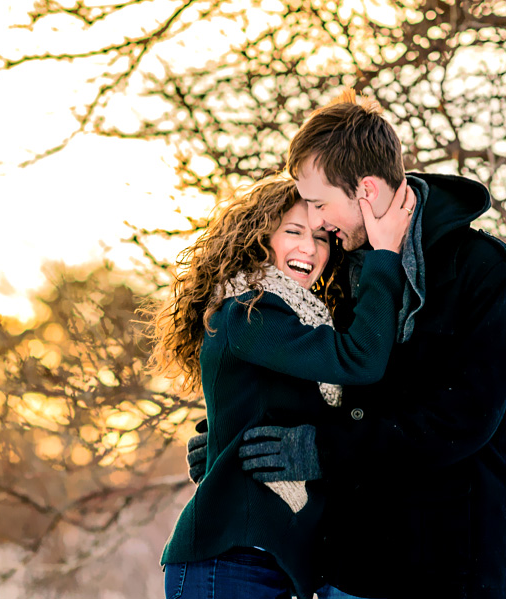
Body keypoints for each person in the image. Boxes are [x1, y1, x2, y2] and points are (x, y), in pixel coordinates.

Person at [192, 90, 506, 598]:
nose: (316, 224)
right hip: (351, 568)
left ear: (364, 189)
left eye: (318, 204)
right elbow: (314, 378)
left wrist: (322, 450)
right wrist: (233, 436)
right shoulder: (345, 268)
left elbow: (463, 420)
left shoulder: (483, 270)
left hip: (452, 566)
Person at [145, 174, 413, 599]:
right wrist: (385, 256)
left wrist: (220, 438)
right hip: (230, 563)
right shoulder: (250, 311)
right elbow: (360, 358)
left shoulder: (298, 319)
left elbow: (270, 404)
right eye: (293, 232)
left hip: (276, 565)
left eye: (322, 237)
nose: (309, 248)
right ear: (259, 238)